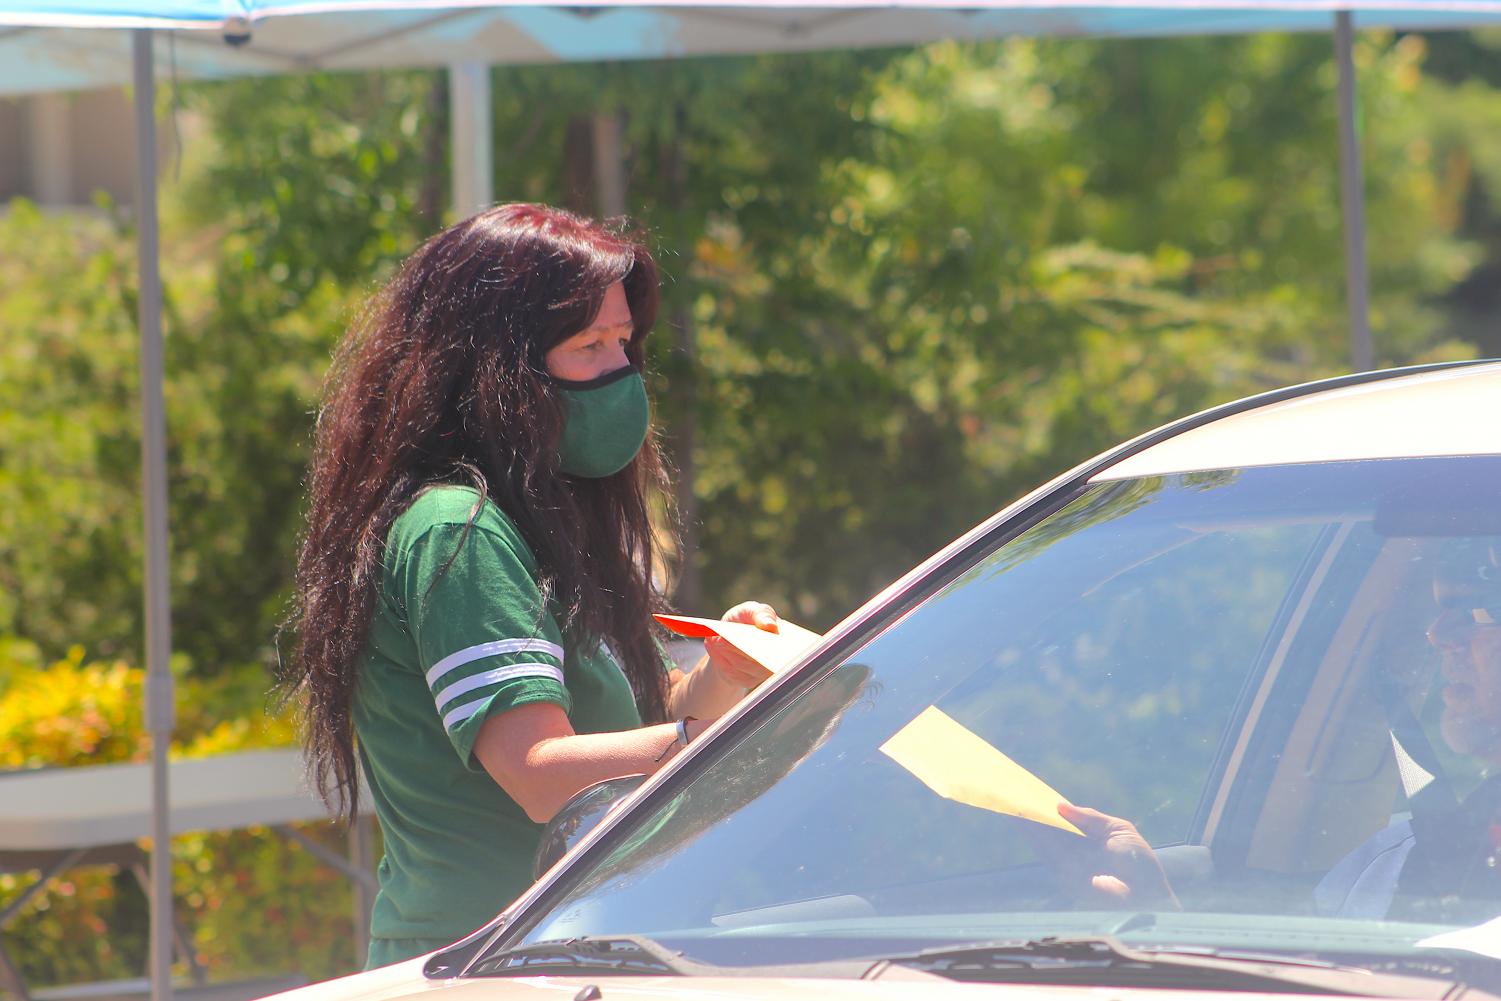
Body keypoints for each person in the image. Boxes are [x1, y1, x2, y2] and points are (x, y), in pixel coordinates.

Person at [284, 203, 779, 969]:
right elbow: (544, 775)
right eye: (588, 345)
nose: (619, 372)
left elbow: (637, 722)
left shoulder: (543, 520)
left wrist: (727, 676)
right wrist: (726, 744)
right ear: (496, 368)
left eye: (623, 342)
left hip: (574, 947)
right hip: (487, 961)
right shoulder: (459, 530)